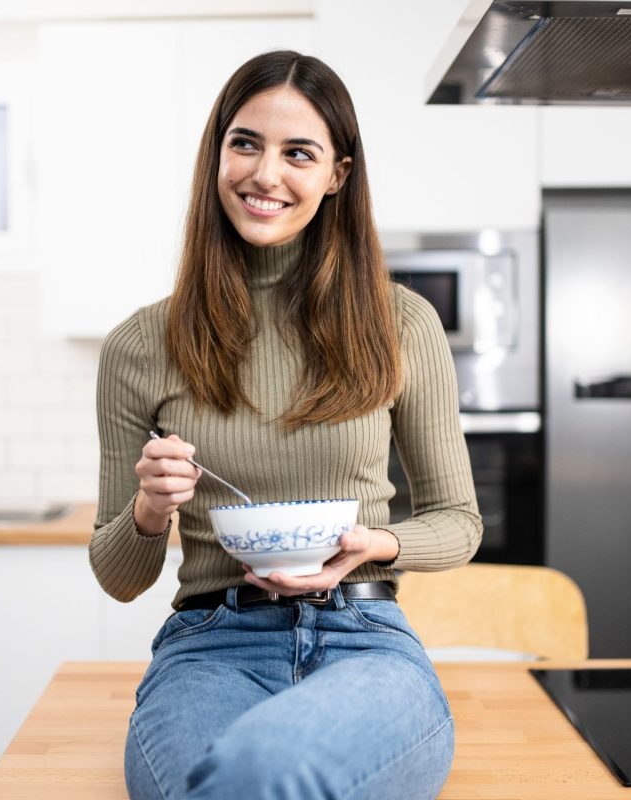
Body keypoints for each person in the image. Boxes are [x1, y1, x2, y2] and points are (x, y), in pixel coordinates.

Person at [90, 49, 481, 800]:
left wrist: (381, 543)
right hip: (211, 647)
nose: (265, 175)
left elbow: (459, 522)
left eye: (298, 152)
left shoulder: (402, 324)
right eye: (245, 144)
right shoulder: (140, 346)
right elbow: (118, 576)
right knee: (238, 778)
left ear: (337, 173)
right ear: (216, 157)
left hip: (366, 640)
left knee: (265, 773)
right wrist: (148, 510)